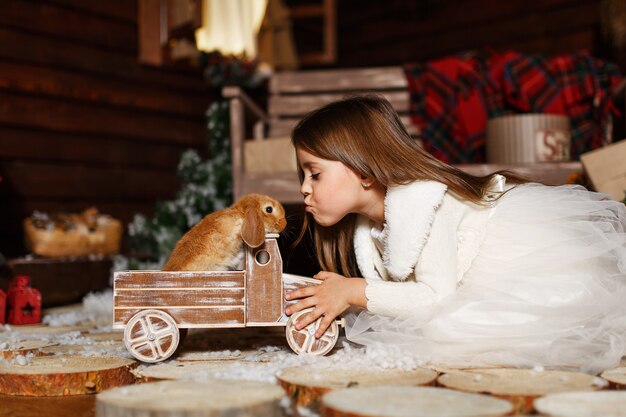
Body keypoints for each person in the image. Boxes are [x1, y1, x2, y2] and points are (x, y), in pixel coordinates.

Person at [284, 95, 626, 374]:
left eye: (314, 174)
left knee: (451, 334)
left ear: (364, 171)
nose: (304, 189)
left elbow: (434, 298)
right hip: (458, 285)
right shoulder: (370, 228)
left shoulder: (426, 203)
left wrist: (354, 290)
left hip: (537, 271)